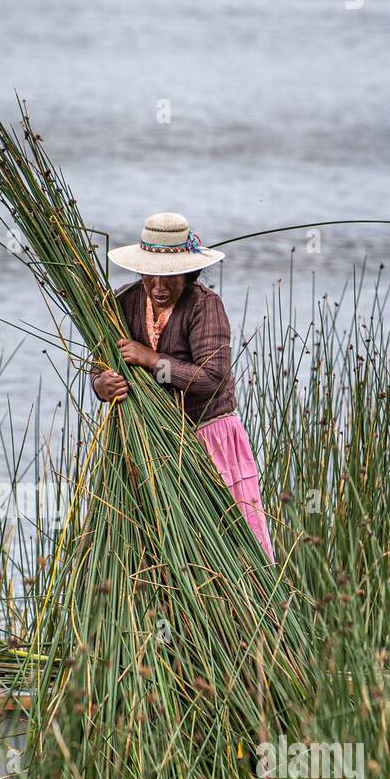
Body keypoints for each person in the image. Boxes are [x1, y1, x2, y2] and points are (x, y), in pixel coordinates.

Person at [92, 211, 274, 562]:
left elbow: (210, 379)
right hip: (147, 444)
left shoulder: (204, 307)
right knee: (151, 551)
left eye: (169, 277)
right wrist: (103, 385)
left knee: (225, 550)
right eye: (150, 275)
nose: (158, 287)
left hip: (207, 440)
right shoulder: (124, 303)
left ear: (188, 273)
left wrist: (152, 361)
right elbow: (98, 365)